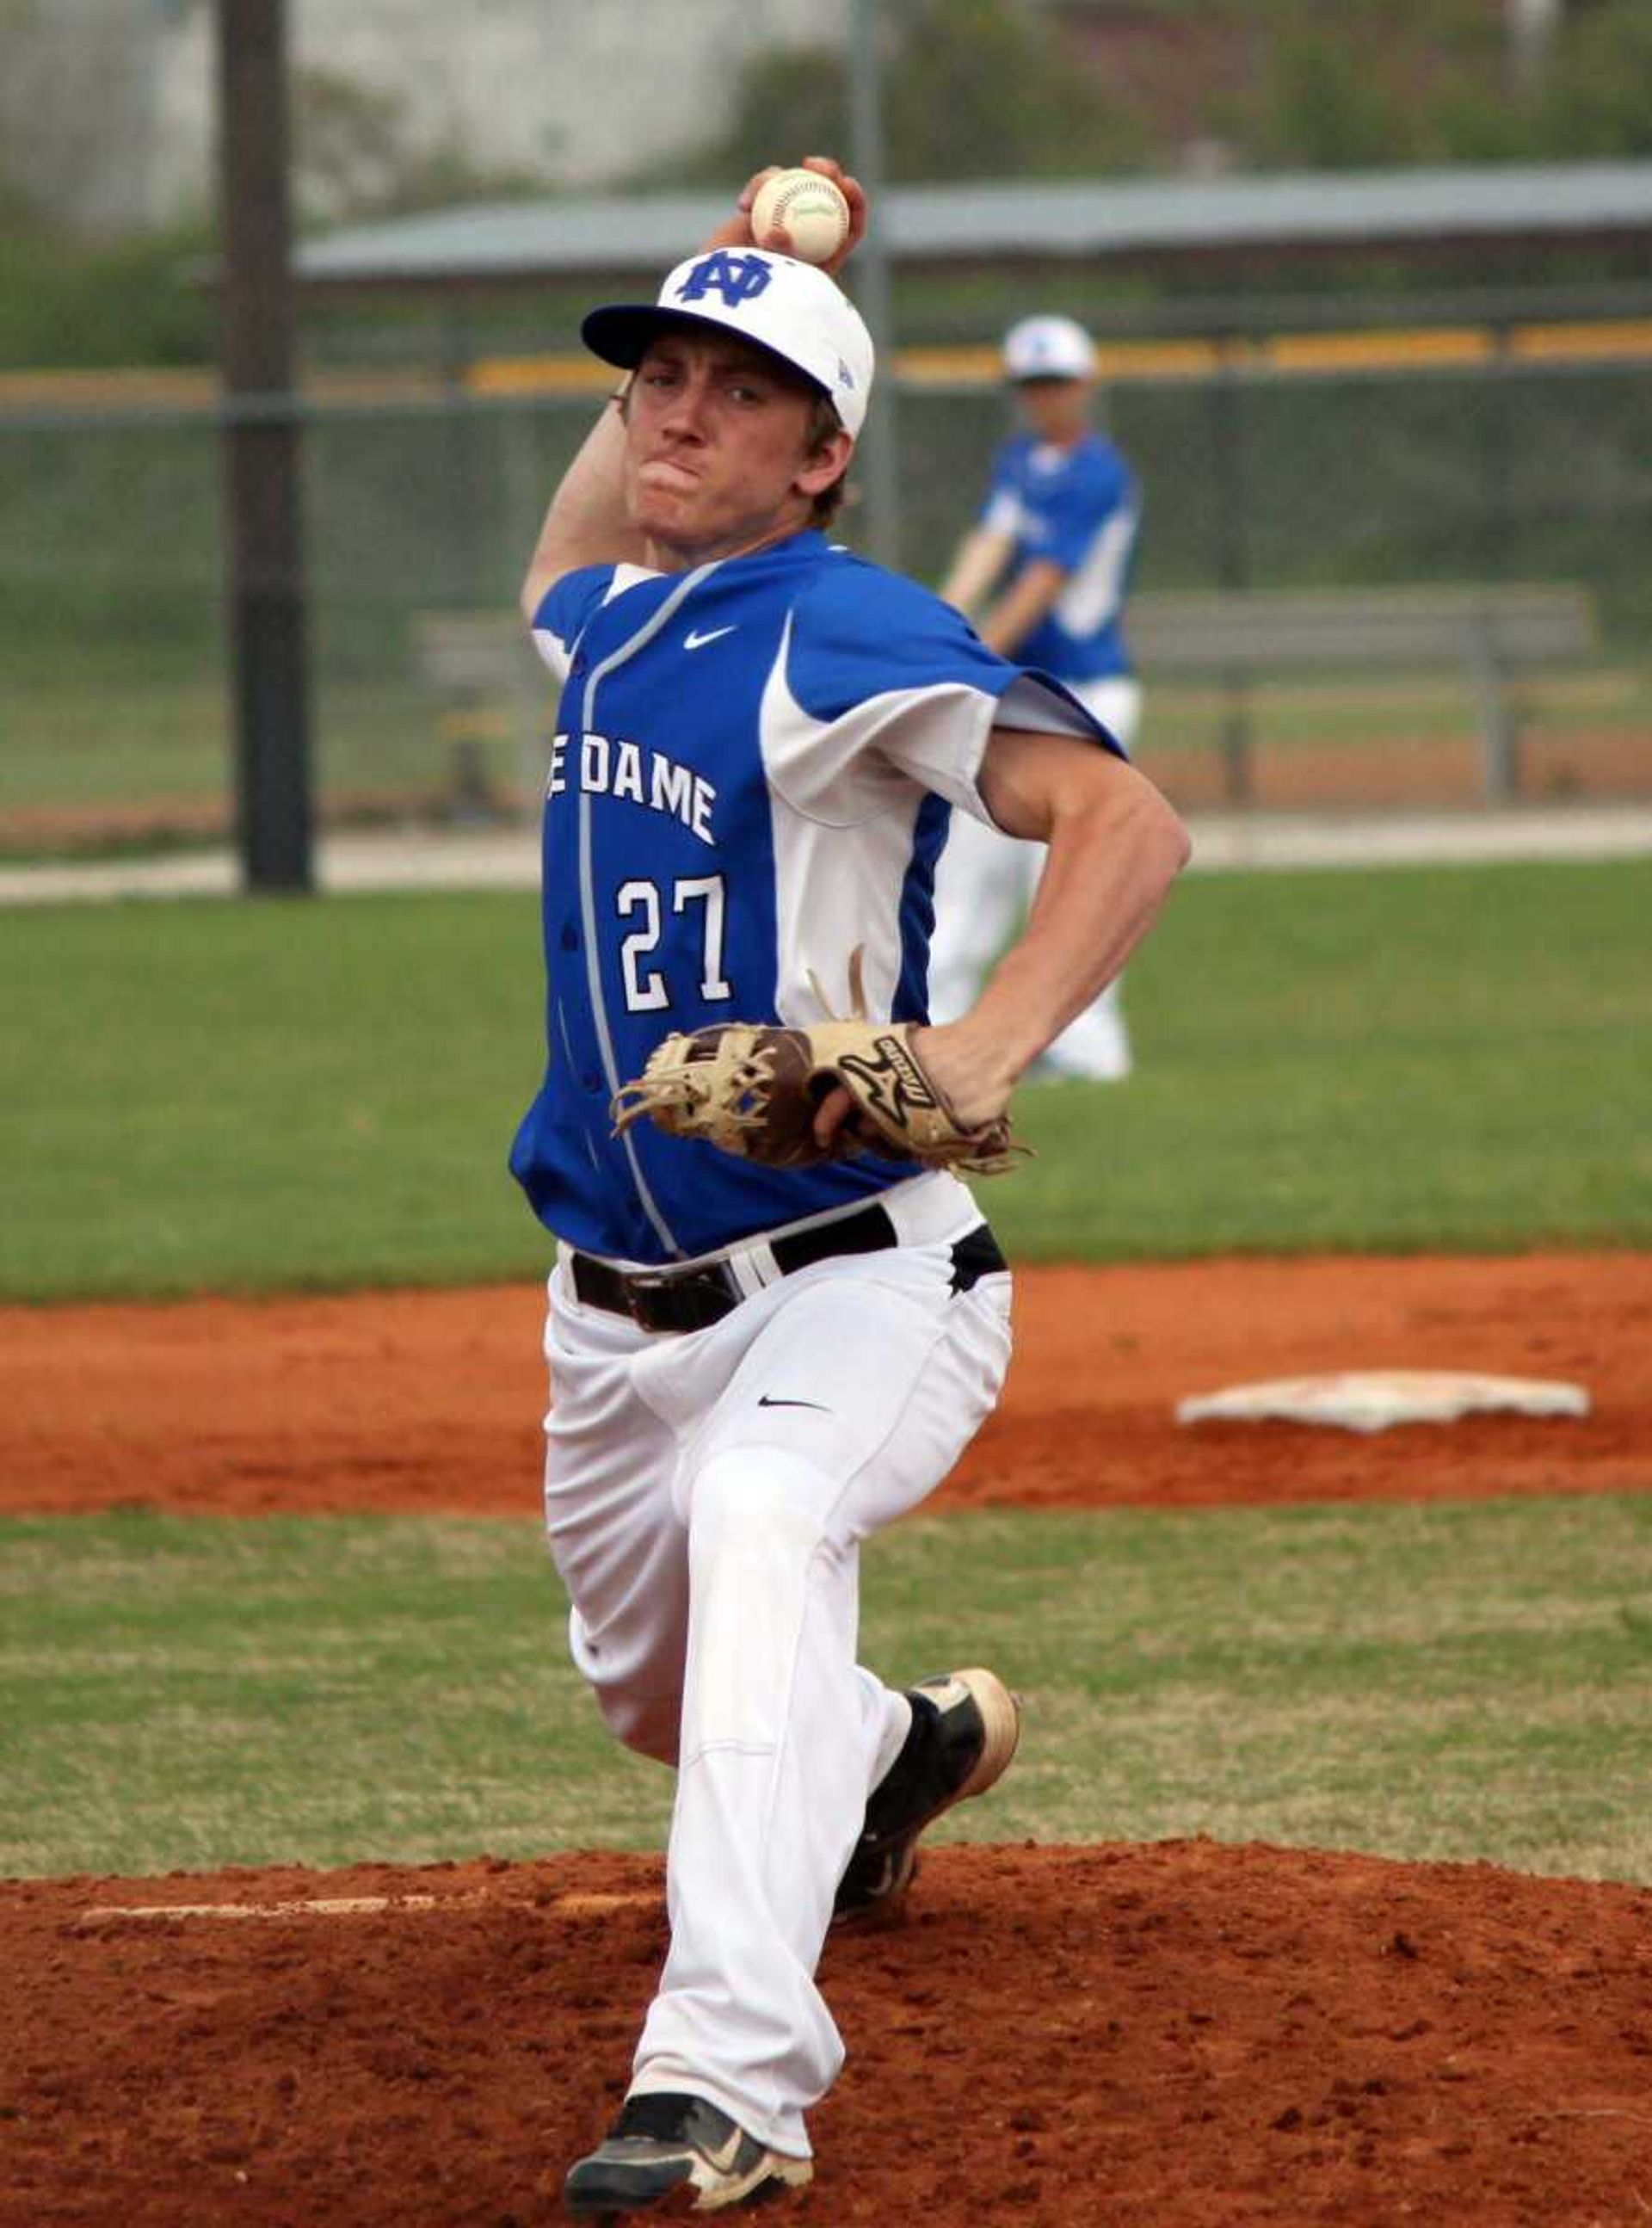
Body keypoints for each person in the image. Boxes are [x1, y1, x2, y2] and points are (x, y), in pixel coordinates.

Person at [509, 157, 1189, 2220]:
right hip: (607, 1302)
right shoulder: (613, 626)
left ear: (822, 458)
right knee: (665, 1686)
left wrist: (976, 1051)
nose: (675, 413)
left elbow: (1125, 821)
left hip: (857, 1274)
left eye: (733, 389)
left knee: (766, 1522)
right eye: (655, 378)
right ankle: (890, 1751)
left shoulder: (841, 624)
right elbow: (562, 539)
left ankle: (725, 2078)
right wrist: (746, 273)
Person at [928, 312, 1145, 1081]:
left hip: (1080, 696)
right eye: (1030, 385)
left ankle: (1088, 1050)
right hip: (1017, 697)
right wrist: (937, 624)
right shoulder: (1020, 460)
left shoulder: (1096, 472)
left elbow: (1042, 582)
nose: (1043, 397)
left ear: (1084, 385)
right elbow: (989, 544)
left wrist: (962, 656)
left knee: (1070, 884)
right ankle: (939, 1033)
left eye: (1054, 382)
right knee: (966, 868)